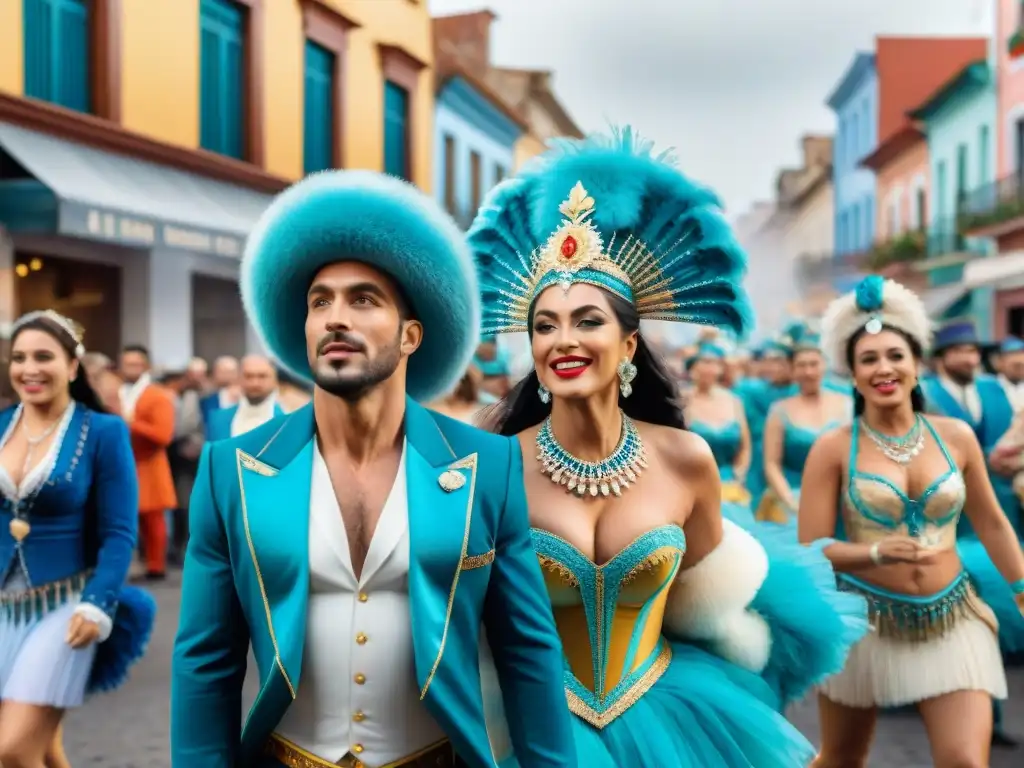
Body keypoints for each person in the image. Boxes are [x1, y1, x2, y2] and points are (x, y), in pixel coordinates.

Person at [469, 128, 867, 767]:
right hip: (535, 729)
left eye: (588, 321)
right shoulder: (496, 464)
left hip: (670, 721)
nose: (564, 340)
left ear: (628, 344)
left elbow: (710, 612)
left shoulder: (686, 459)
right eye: (545, 325)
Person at [170, 170, 575, 768]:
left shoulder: (487, 465)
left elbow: (527, 652)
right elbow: (205, 662)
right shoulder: (230, 470)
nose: (336, 317)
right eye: (320, 302)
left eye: (363, 299)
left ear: (411, 335)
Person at [799, 276, 1024, 767]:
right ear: (852, 375)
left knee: (965, 761)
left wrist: (1023, 589)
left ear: (917, 365)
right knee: (840, 759)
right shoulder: (832, 448)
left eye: (895, 356)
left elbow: (992, 523)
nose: (884, 368)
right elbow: (811, 549)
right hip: (865, 623)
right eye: (869, 359)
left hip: (955, 617)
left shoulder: (956, 436)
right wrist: (875, 552)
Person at [0, 310, 155, 767]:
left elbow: (119, 532)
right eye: (19, 358)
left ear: (72, 366)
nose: (29, 369)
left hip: (65, 607)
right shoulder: (1, 425)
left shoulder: (103, 432)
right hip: (2, 605)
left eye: (43, 357)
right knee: (45, 750)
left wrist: (97, 603)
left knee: (12, 751)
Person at [758, 322, 851, 530]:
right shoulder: (779, 410)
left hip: (842, 499)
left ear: (824, 365)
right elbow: (771, 464)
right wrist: (790, 502)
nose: (808, 371)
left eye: (813, 364)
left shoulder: (846, 405)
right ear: (792, 369)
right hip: (795, 501)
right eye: (801, 365)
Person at [683, 340, 754, 526]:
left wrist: (739, 474)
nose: (709, 368)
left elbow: (745, 446)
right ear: (693, 367)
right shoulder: (681, 400)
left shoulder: (734, 401)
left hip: (729, 482)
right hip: (693, 483)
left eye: (715, 363)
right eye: (704, 362)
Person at [205, 354, 284, 441]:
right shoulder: (218, 419)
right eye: (248, 376)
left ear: (275, 380)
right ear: (238, 379)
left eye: (262, 376)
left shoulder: (287, 421)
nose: (255, 383)